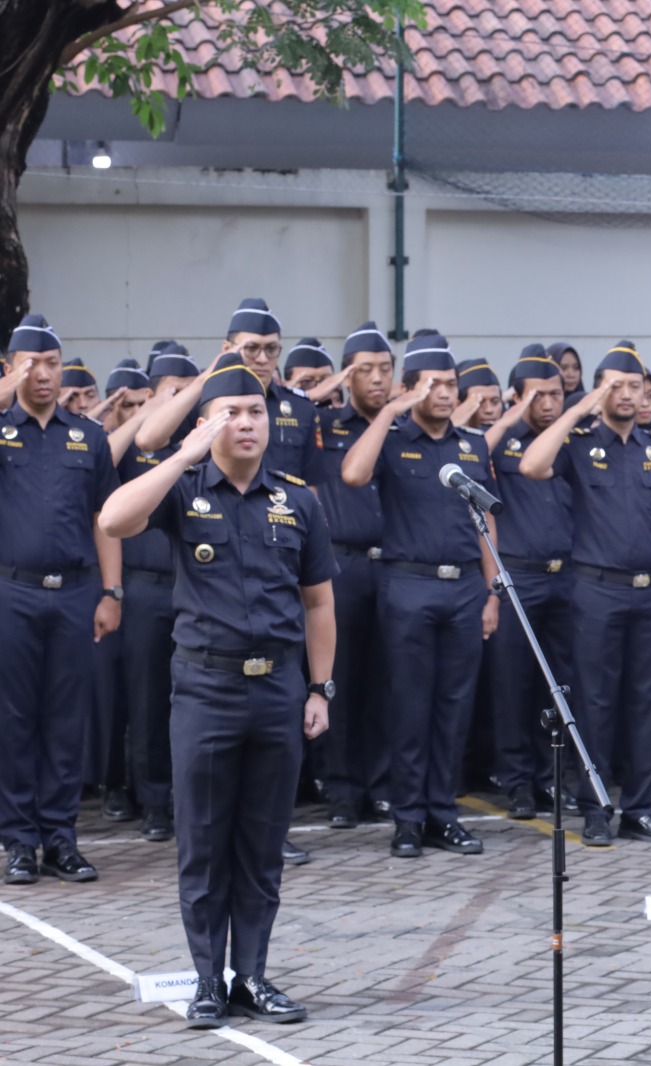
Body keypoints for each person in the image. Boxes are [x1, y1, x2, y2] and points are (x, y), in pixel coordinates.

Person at [99, 353, 336, 1029]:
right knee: (203, 841)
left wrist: (320, 688)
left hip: (277, 692)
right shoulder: (183, 489)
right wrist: (181, 455)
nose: (246, 423)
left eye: (257, 411)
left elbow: (319, 605)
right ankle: (208, 979)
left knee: (261, 845)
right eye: (230, 413)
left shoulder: (299, 501)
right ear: (206, 424)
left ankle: (252, 975)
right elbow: (114, 519)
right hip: (205, 690)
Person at [519, 341, 651, 846]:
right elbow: (532, 466)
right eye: (614, 385)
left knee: (648, 702)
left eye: (634, 386)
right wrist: (578, 408)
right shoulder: (578, 446)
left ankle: (639, 808)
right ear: (599, 391)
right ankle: (596, 809)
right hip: (596, 592)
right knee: (594, 704)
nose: (626, 394)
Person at [341, 330, 498, 859]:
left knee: (454, 708)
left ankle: (442, 815)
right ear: (410, 389)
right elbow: (353, 474)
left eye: (451, 385)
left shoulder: (472, 444)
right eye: (433, 385)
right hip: (408, 584)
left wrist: (493, 590)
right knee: (410, 708)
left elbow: (484, 522)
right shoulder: (391, 439)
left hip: (465, 589)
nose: (447, 394)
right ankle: (407, 819)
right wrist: (390, 412)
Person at [0, 315, 122, 886]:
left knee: (66, 719)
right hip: (12, 592)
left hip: (75, 593)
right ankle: (20, 841)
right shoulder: (3, 429)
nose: (43, 373)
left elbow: (107, 519)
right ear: (10, 367)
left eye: (51, 362)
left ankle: (61, 837)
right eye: (29, 363)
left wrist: (111, 591)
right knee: (15, 719)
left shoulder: (88, 436)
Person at [111, 348, 201, 844]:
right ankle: (153, 802)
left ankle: (188, 799)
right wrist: (146, 411)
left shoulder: (200, 439)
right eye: (171, 389)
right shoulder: (137, 442)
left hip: (196, 588)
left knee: (195, 702)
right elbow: (97, 464)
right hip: (145, 588)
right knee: (148, 702)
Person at [483, 345, 577, 819]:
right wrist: (510, 415)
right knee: (512, 685)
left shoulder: (571, 439)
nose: (548, 404)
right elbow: (472, 452)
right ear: (516, 397)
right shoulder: (499, 441)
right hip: (518, 578)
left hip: (567, 578)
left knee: (559, 686)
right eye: (537, 395)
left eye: (556, 394)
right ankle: (518, 780)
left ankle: (550, 777)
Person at [316, 323, 395, 827]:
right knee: (340, 680)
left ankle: (382, 783)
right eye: (365, 370)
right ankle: (342, 788)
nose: (377, 380)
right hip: (341, 564)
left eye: (386, 370)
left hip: (392, 563)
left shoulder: (402, 427)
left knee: (388, 680)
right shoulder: (325, 427)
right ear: (347, 377)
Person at [135, 299, 321, 484]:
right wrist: (205, 378)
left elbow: (310, 487)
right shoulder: (208, 402)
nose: (263, 359)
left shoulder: (300, 407)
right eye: (251, 348)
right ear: (226, 349)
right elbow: (147, 439)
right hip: (212, 509)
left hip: (281, 510)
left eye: (271, 349)